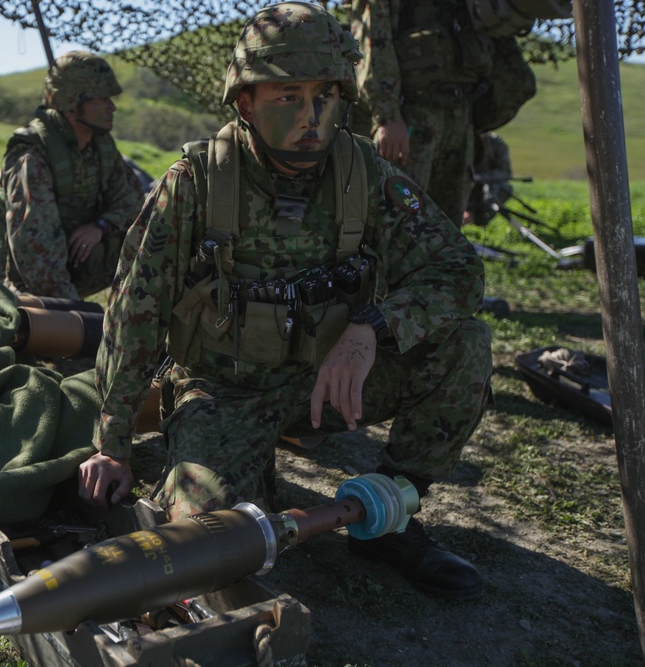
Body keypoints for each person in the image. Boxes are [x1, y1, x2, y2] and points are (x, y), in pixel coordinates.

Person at [78, 2, 493, 600]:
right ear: (245, 101)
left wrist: (371, 327)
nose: (311, 116)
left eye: (325, 95)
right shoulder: (196, 183)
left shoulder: (365, 173)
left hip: (326, 382)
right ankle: (242, 472)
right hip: (223, 391)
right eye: (288, 95)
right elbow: (132, 314)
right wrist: (112, 444)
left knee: (464, 344)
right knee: (209, 541)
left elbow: (457, 269)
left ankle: (391, 510)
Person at [0, 50, 144, 300]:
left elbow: (135, 204)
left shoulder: (101, 147)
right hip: (26, 281)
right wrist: (77, 314)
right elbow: (37, 257)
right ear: (72, 104)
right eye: (100, 99)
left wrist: (100, 226)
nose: (111, 107)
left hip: (71, 267)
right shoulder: (32, 157)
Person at [348, 0, 497, 227]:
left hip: (460, 114)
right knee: (397, 221)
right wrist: (387, 115)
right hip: (411, 114)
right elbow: (372, 42)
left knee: (447, 228)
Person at [464, 131, 513, 227]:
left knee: (501, 188)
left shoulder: (496, 143)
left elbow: (505, 172)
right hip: (463, 184)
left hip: (485, 186)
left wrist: (480, 177)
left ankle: (476, 216)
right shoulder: (464, 139)